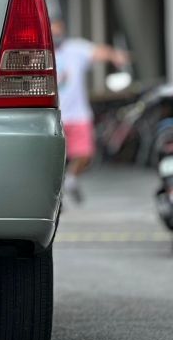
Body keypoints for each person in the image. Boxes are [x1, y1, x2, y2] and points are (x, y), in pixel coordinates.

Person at [52, 19, 129, 203]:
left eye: (58, 32)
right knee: (54, 158)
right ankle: (57, 192)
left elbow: (99, 51)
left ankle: (71, 179)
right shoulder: (41, 51)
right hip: (55, 113)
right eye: (52, 32)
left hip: (78, 114)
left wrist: (115, 55)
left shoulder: (75, 49)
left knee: (85, 154)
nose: (56, 36)